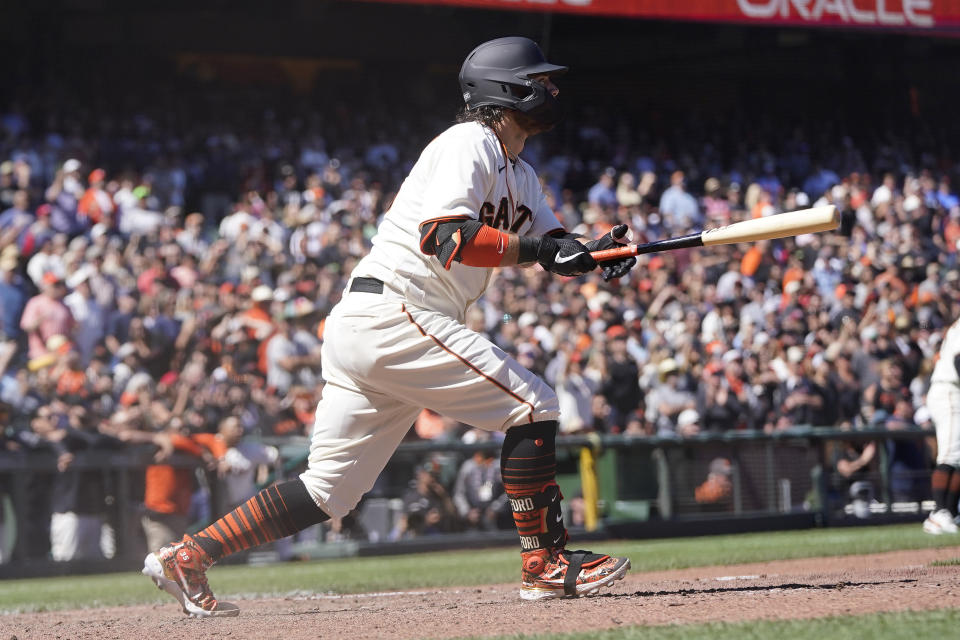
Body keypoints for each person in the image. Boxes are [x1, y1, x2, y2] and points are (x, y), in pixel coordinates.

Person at [142, 36, 633, 617]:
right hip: (397, 310)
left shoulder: (520, 173)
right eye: (541, 81)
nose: (552, 90)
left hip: (377, 325)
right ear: (508, 90)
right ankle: (545, 563)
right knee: (533, 405)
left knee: (329, 491)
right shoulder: (467, 142)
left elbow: (549, 245)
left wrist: (592, 254)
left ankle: (190, 555)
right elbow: (445, 236)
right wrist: (546, 252)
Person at [922, 318, 960, 534]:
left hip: (954, 391)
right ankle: (938, 512)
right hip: (949, 390)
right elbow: (959, 360)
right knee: (949, 455)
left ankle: (951, 512)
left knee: (958, 457)